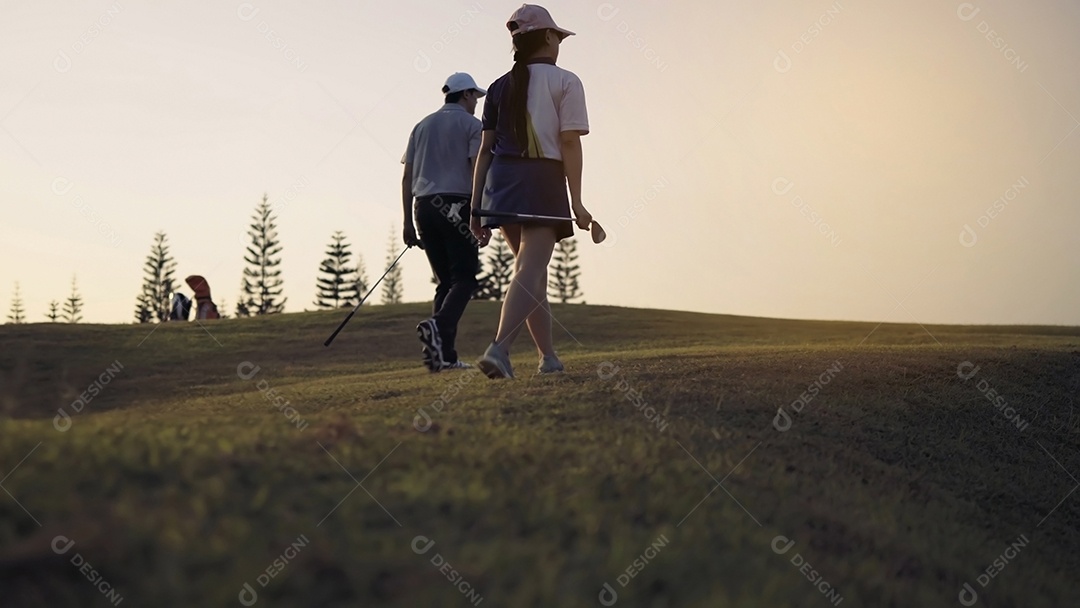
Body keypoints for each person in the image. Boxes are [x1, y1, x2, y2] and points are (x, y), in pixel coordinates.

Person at [469, 4, 593, 379]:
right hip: (541, 181)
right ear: (550, 37)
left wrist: (476, 208)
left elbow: (485, 151)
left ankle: (548, 357)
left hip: (501, 185)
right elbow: (569, 142)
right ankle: (499, 349)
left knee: (532, 275)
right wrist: (577, 201)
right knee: (531, 269)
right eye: (559, 37)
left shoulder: (497, 87)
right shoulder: (567, 81)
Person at [402, 72, 487, 372]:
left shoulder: (421, 126)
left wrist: (407, 222)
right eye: (475, 96)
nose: (476, 103)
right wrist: (480, 214)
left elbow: (407, 177)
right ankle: (438, 326)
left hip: (423, 207)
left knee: (446, 283)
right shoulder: (472, 125)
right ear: (466, 94)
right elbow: (476, 170)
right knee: (465, 279)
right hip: (457, 205)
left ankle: (443, 357)